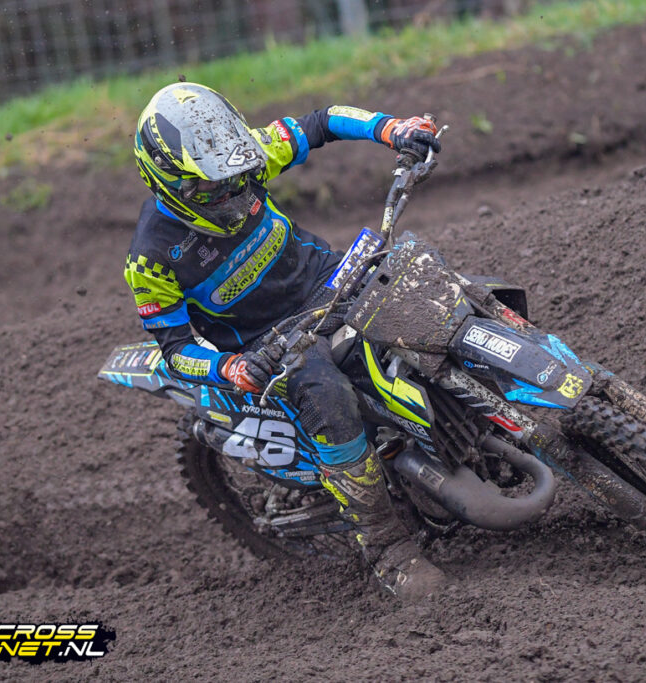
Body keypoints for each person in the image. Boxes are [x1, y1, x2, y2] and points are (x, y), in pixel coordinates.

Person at [126, 82, 448, 600]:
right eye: (213, 190)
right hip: (274, 340)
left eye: (238, 182)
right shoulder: (151, 259)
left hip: (333, 279)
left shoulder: (239, 157)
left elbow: (321, 122)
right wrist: (230, 368)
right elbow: (174, 350)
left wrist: (392, 128)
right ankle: (390, 552)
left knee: (435, 292)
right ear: (168, 182)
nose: (234, 197)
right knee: (329, 400)